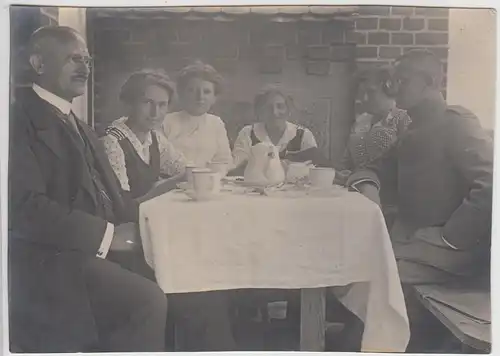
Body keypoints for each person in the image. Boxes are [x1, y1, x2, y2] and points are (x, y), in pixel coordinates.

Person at [8, 26, 169, 352]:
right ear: (39, 63)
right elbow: (23, 209)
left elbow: (111, 197)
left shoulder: (78, 124)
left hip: (87, 249)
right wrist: (109, 236)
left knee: (174, 276)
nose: (84, 67)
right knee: (148, 300)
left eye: (87, 59)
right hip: (47, 260)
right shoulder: (16, 121)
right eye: (72, 59)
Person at [347, 49, 493, 352]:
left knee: (368, 278)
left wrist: (449, 237)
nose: (394, 87)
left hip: (453, 254)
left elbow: (493, 184)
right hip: (414, 247)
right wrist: (369, 187)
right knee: (354, 269)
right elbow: (374, 168)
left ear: (428, 82)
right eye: (392, 80)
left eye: (401, 80)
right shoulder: (413, 128)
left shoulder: (456, 122)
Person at [339, 65, 412, 228]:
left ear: (389, 88)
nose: (364, 99)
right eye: (361, 93)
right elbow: (347, 160)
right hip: (355, 196)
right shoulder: (361, 121)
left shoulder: (403, 119)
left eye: (370, 92)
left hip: (389, 206)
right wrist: (342, 173)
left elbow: (407, 167)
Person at [101, 69, 186, 202]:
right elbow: (121, 207)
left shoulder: (154, 138)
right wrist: (163, 187)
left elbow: (182, 169)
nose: (155, 112)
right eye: (147, 102)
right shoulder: (112, 142)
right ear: (129, 103)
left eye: (162, 105)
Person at [232, 85, 329, 171]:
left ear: (288, 109)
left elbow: (314, 168)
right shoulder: (248, 133)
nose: (274, 112)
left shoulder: (303, 135)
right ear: (260, 111)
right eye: (268, 108)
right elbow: (236, 167)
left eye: (280, 106)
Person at [161, 61, 233, 168]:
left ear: (214, 97)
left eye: (207, 92)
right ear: (181, 93)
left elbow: (224, 161)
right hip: (172, 181)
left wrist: (209, 177)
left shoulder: (216, 123)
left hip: (207, 181)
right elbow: (161, 160)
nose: (200, 97)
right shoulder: (166, 121)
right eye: (192, 90)